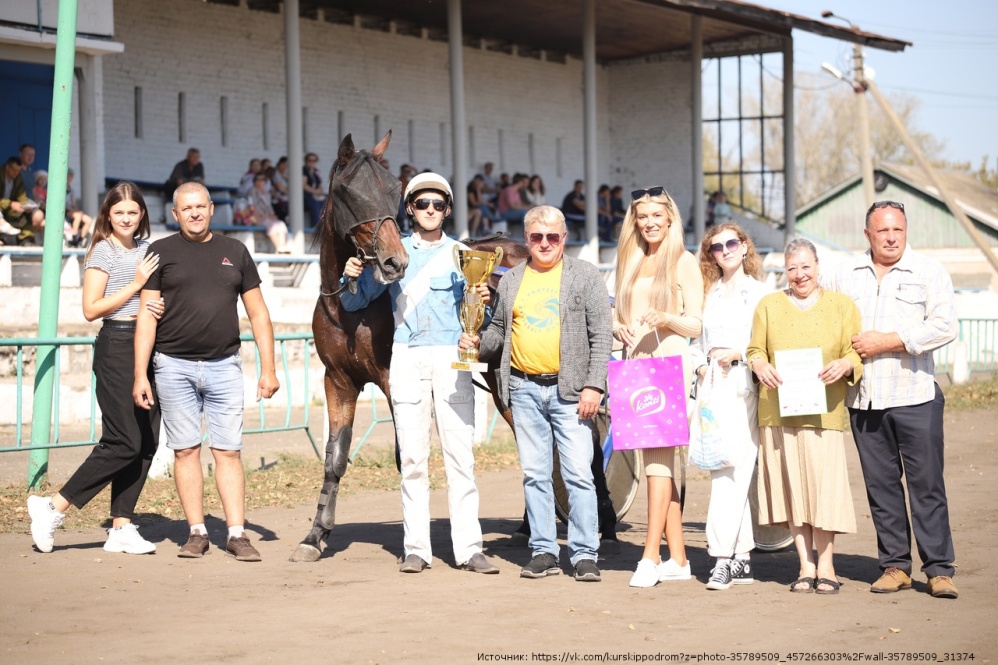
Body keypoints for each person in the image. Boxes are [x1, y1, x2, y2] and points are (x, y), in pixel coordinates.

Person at [339, 172, 499, 575]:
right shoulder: (394, 252)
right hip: (407, 357)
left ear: (447, 210)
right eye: (422, 204)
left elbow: (479, 317)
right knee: (412, 458)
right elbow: (356, 302)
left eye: (438, 204)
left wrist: (484, 301)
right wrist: (350, 276)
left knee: (460, 457)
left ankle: (469, 549)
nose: (430, 210)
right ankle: (416, 549)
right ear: (410, 209)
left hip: (451, 358)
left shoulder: (463, 254)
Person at [461, 204, 612, 582]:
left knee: (578, 475)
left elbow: (601, 335)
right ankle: (544, 551)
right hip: (524, 389)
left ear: (564, 238)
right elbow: (498, 332)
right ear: (527, 240)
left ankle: (584, 554)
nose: (545, 243)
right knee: (535, 475)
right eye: (537, 237)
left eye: (552, 237)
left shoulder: (586, 276)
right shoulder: (511, 279)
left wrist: (594, 385)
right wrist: (476, 342)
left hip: (571, 391)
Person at [133, 182, 280, 562]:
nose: (195, 213)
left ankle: (236, 534)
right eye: (187, 208)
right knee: (185, 451)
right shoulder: (159, 252)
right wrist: (140, 374)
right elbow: (146, 317)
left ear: (211, 208)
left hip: (224, 366)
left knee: (228, 451)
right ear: (175, 214)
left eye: (200, 206)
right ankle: (196, 532)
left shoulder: (236, 251)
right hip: (172, 367)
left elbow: (258, 314)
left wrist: (268, 369)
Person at [828, 200, 959, 599]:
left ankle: (939, 570)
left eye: (897, 230)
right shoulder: (844, 274)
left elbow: (945, 327)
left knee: (926, 487)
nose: (890, 237)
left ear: (906, 231)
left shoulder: (928, 271)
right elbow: (825, 322)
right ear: (867, 234)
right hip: (864, 399)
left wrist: (887, 341)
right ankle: (895, 566)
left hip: (915, 396)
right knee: (881, 487)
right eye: (882, 230)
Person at [27, 182, 164, 555]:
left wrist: (158, 305)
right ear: (108, 215)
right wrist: (136, 285)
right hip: (116, 343)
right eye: (119, 212)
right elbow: (91, 308)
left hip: (148, 342)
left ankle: (121, 527)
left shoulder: (148, 249)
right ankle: (52, 507)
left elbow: (154, 297)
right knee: (124, 441)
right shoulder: (103, 250)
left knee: (147, 441)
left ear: (142, 214)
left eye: (132, 212)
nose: (126, 218)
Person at [747, 238, 863, 595]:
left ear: (818, 267)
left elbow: (855, 353)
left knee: (824, 489)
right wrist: (759, 364)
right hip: (779, 413)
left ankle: (827, 565)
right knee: (793, 490)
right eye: (792, 268)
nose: (799, 275)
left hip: (824, 414)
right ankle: (804, 565)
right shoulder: (768, 305)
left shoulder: (842, 306)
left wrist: (845, 364)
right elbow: (755, 350)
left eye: (806, 267)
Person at [613, 186, 704, 587]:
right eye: (643, 216)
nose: (649, 223)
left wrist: (665, 318)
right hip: (636, 366)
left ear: (670, 219)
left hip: (668, 365)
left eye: (656, 216)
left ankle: (650, 556)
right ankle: (679, 559)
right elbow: (621, 314)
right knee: (656, 464)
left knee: (658, 463)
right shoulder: (630, 261)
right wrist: (617, 326)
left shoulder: (684, 261)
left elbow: (696, 324)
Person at [690, 223, 769, 590]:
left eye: (731, 243)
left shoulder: (761, 294)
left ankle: (722, 558)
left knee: (731, 471)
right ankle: (742, 557)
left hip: (743, 387)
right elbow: (695, 343)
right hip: (711, 388)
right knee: (724, 469)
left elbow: (767, 343)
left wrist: (739, 353)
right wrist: (700, 366)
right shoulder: (708, 294)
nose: (725, 250)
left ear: (744, 246)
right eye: (717, 246)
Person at [1, 155, 45, 245]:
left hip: (10, 207)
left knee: (32, 214)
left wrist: (26, 205)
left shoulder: (18, 177)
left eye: (18, 170)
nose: (16, 173)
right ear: (7, 167)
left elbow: (21, 195)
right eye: (14, 170)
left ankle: (26, 239)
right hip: (4, 206)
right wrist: (10, 204)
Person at [247, 171, 289, 253]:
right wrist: (265, 215)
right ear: (255, 181)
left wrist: (272, 215)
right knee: (273, 226)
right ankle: (279, 248)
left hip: (268, 216)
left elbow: (269, 207)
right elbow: (252, 206)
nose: (260, 181)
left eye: (262, 179)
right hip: (258, 217)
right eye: (258, 179)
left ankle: (282, 246)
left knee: (281, 224)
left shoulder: (267, 194)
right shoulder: (252, 191)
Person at [303, 152, 325, 229]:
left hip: (316, 194)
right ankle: (316, 227)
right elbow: (304, 186)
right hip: (306, 195)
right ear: (306, 161)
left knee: (329, 202)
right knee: (315, 205)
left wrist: (320, 191)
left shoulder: (316, 171)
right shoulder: (304, 171)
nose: (312, 162)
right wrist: (315, 192)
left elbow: (320, 185)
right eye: (310, 160)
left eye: (314, 160)